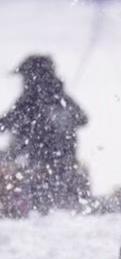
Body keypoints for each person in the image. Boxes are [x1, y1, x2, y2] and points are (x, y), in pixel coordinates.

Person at [0, 54, 89, 213]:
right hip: (68, 164)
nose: (23, 82)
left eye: (24, 76)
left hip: (36, 167)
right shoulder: (61, 97)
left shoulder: (29, 99)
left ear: (32, 77)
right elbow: (83, 119)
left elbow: (5, 123)